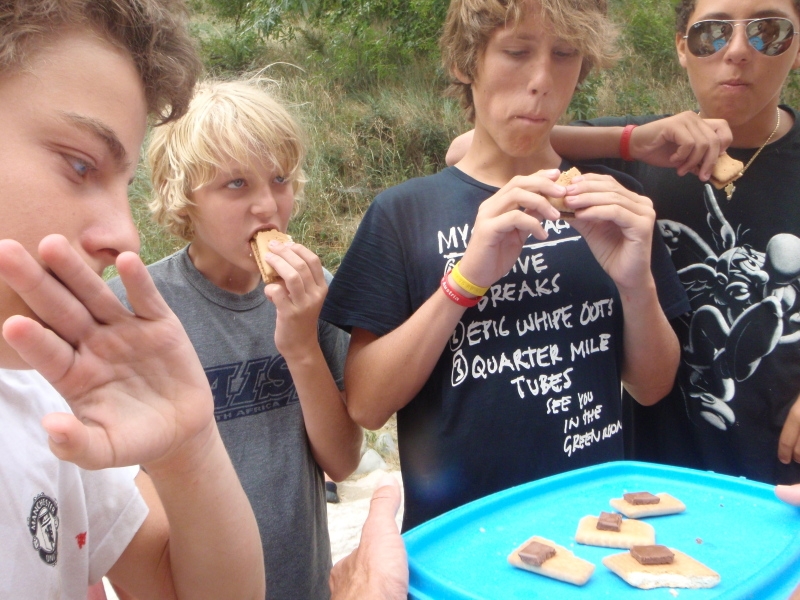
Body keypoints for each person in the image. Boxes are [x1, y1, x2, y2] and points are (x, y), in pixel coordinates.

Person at [321, 0, 687, 531]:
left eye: (564, 55)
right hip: (458, 541)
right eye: (516, 52)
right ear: (464, 63)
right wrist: (465, 281)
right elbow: (367, 406)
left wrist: (635, 284)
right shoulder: (404, 214)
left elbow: (652, 386)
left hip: (593, 528)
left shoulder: (615, 204)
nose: (541, 79)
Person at [449, 0, 800, 487]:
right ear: (682, 47)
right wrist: (632, 141)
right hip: (656, 475)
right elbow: (468, 148)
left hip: (784, 478)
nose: (737, 50)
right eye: (712, 34)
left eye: (768, 31)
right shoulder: (642, 158)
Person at [0, 1, 266, 598]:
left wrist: (189, 448)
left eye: (124, 186)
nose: (124, 236)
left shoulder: (45, 403)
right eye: (79, 164)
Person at [107, 79, 362, 600]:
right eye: (236, 185)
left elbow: (343, 460)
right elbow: (112, 494)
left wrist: (300, 344)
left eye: (280, 179)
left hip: (303, 584)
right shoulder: (133, 307)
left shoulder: (317, 294)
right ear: (184, 199)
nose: (267, 206)